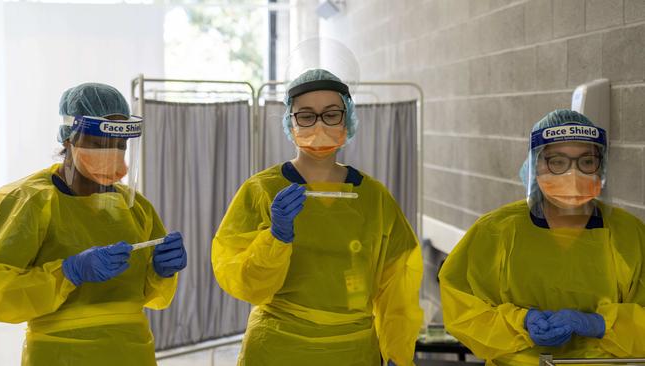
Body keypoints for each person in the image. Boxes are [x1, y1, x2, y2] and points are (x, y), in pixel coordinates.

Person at [212, 69, 423, 366]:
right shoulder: (262, 190)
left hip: (354, 351)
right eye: (306, 116)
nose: (319, 125)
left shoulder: (375, 197)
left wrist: (398, 352)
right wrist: (275, 239)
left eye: (331, 114)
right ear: (290, 120)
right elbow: (243, 283)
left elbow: (397, 283)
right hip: (278, 348)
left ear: (347, 118)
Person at [0, 83, 188, 366]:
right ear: (68, 139)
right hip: (59, 355)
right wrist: (68, 272)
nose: (112, 153)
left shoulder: (135, 207)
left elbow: (153, 298)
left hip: (133, 352)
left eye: (120, 145)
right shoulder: (27, 200)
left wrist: (161, 272)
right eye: (99, 144)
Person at [439, 109, 645, 365]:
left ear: (600, 166)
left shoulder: (630, 235)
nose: (573, 174)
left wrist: (602, 325)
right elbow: (463, 310)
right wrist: (520, 323)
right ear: (534, 164)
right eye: (557, 162)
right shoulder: (496, 232)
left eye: (586, 161)